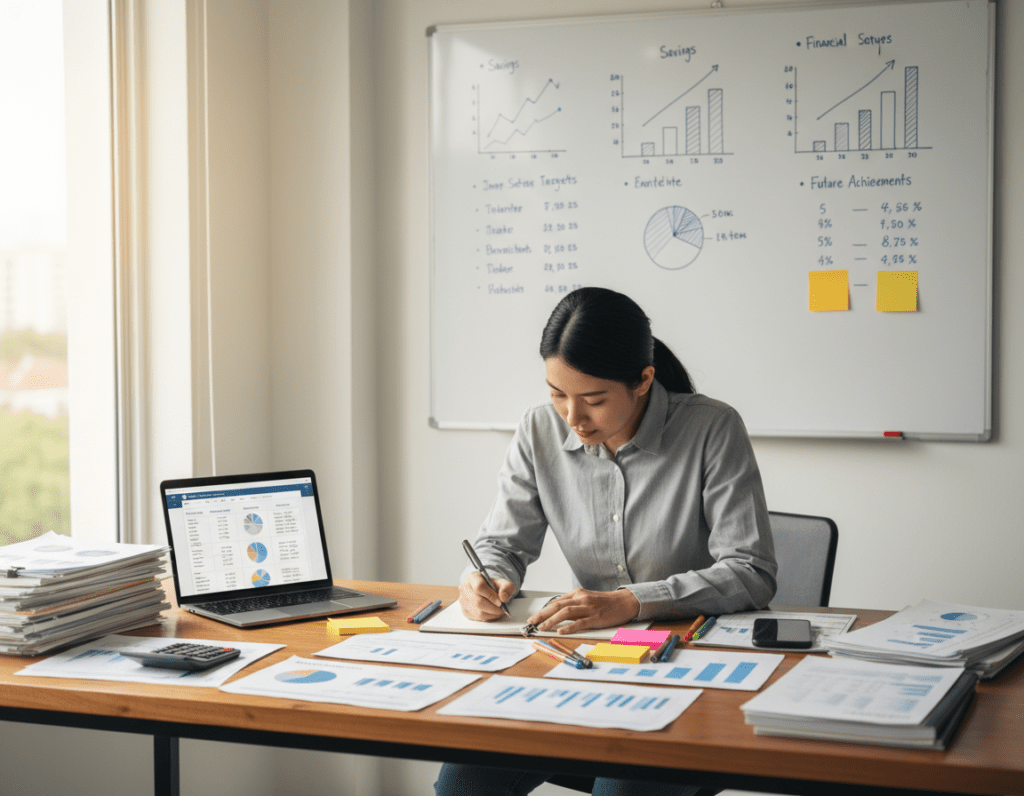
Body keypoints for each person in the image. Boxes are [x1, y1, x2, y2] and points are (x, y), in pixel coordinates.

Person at [435, 287, 777, 796]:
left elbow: (751, 570)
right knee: (462, 783)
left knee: (622, 788)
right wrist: (484, 578)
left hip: (689, 666)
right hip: (586, 666)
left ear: (643, 380)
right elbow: (501, 545)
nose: (572, 417)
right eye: (557, 393)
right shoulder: (537, 431)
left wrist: (631, 602)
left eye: (593, 399)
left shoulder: (712, 427)